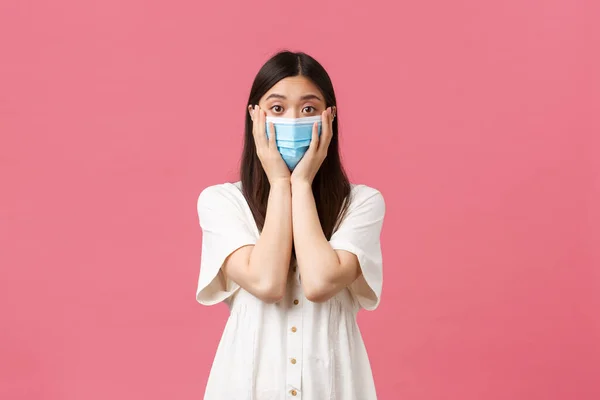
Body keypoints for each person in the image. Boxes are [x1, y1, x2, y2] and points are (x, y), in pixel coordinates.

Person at [195, 50, 386, 400]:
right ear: (254, 117)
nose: (294, 119)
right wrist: (281, 184)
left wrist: (300, 185)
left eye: (309, 109)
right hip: (245, 387)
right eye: (278, 108)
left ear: (330, 118)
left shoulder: (362, 203)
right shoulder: (221, 203)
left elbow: (320, 282)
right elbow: (266, 282)